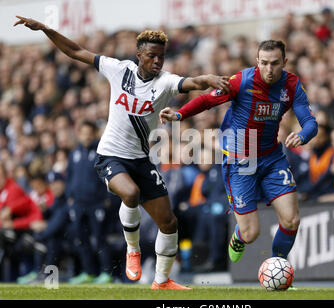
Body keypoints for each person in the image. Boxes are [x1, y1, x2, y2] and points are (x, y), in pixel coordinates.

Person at [14, 16, 230, 290]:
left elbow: (193, 82)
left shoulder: (165, 82)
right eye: (152, 56)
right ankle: (133, 249)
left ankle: (162, 281)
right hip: (110, 156)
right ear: (139, 55)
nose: (157, 62)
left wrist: (208, 78)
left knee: (169, 221)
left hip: (140, 159)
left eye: (161, 57)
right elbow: (76, 51)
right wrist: (46, 29)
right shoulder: (119, 69)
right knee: (130, 193)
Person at [160, 40, 318, 266]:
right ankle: (240, 235)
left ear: (284, 62)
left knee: (292, 220)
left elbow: (310, 122)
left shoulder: (291, 85)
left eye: (275, 63)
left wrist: (303, 135)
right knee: (251, 233)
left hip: (272, 158)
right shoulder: (241, 81)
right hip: (240, 161)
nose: (269, 69)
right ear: (257, 62)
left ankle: (278, 266)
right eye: (264, 63)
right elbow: (207, 100)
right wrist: (179, 115)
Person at [66, 121, 112, 284]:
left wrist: (107, 198)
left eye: (89, 133)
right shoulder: (74, 153)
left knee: (99, 238)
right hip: (78, 204)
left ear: (93, 134)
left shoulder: (101, 152)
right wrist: (69, 196)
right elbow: (69, 177)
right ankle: (88, 272)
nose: (86, 136)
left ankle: (106, 273)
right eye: (83, 133)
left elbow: (108, 175)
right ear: (79, 134)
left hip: (96, 203)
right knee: (81, 238)